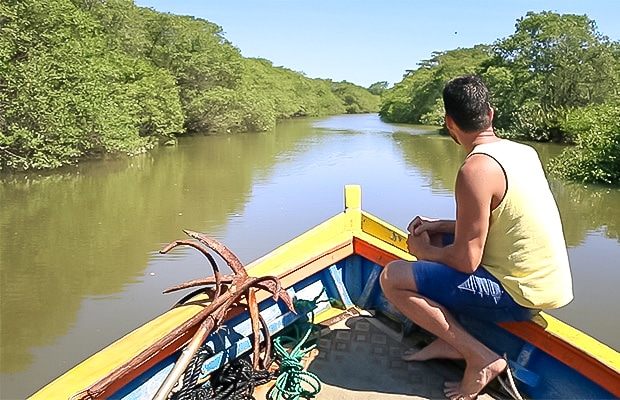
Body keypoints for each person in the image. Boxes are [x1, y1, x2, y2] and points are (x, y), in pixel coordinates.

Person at [379, 74, 573, 400]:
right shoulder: (523, 152)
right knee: (439, 241)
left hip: (517, 295)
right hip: (548, 287)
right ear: (491, 114)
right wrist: (440, 225)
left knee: (393, 277)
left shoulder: (475, 170)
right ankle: (448, 339)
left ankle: (477, 356)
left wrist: (421, 250)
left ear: (449, 122)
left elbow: (466, 261)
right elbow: (504, 219)